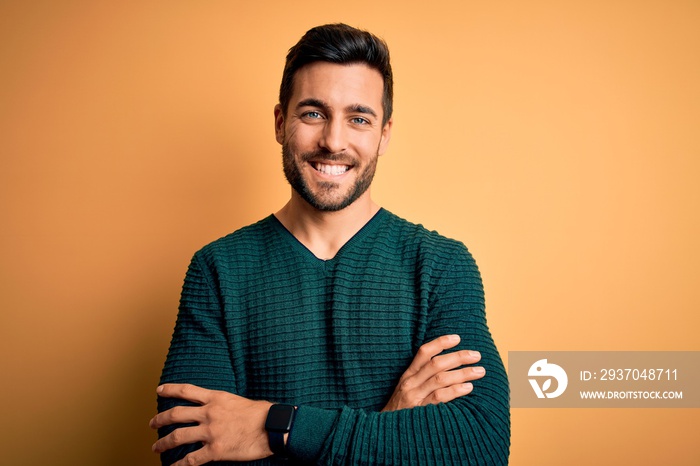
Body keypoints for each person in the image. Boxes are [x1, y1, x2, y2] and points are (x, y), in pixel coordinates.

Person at [150, 23, 510, 465]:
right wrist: (390, 423)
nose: (334, 141)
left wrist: (274, 425)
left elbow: (482, 446)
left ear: (384, 135)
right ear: (281, 123)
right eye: (313, 114)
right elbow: (187, 452)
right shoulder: (218, 269)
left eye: (359, 119)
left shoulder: (439, 266)